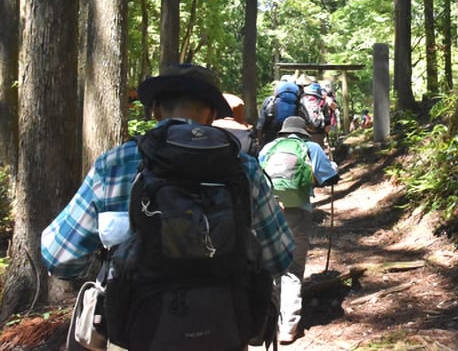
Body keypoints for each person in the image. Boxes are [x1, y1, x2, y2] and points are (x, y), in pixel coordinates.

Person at [41, 63, 294, 350]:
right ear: (211, 114)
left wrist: (110, 262)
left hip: (137, 331)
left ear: (157, 111)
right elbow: (280, 257)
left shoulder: (114, 164)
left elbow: (59, 256)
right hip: (225, 329)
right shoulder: (243, 168)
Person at [258, 116, 339, 345]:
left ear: (283, 132)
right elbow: (330, 177)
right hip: (298, 211)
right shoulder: (310, 146)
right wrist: (334, 166)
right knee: (293, 268)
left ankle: (266, 322)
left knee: (271, 266)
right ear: (303, 132)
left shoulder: (268, 147)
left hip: (269, 210)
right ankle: (288, 327)